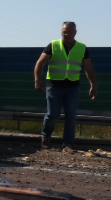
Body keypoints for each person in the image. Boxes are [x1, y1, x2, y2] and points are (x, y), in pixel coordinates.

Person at [34, 22, 97, 151]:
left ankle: (68, 144)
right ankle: (46, 136)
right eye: (64, 32)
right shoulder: (53, 45)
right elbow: (40, 63)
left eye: (69, 32)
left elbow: (88, 67)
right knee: (53, 114)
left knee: (71, 116)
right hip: (54, 86)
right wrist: (37, 80)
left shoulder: (81, 47)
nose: (66, 34)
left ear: (75, 32)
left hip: (72, 87)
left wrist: (93, 85)